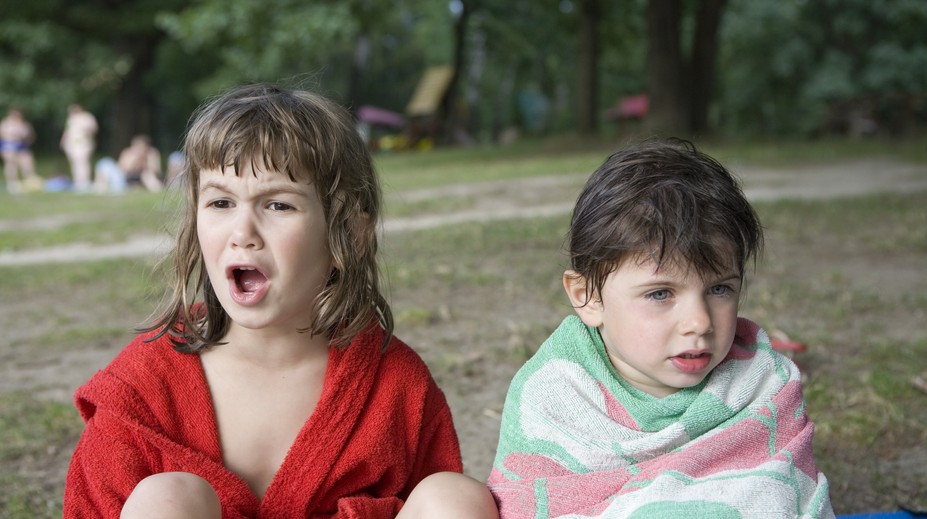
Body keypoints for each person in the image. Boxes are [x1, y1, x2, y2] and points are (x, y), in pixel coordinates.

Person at [63, 84, 498, 518]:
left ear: (349, 233)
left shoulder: (394, 386)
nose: (242, 232)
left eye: (277, 205)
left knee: (454, 497)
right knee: (168, 497)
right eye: (220, 202)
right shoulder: (146, 384)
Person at [487, 140, 834, 518]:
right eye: (660, 294)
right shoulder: (554, 392)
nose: (699, 322)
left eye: (719, 289)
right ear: (588, 297)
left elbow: (773, 494)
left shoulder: (762, 382)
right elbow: (530, 504)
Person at [0, 107, 42, 194]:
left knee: (27, 163)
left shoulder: (24, 124)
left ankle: (29, 181)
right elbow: (2, 134)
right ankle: (12, 183)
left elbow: (31, 136)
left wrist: (26, 139)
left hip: (22, 146)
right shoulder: (5, 123)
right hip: (9, 146)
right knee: (11, 164)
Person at [60, 104, 99, 192]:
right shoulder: (71, 119)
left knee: (82, 162)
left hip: (83, 143)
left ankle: (85, 182)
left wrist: (87, 131)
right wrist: (63, 141)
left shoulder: (87, 117)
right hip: (71, 144)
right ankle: (78, 182)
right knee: (75, 163)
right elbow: (67, 131)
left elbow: (93, 129)